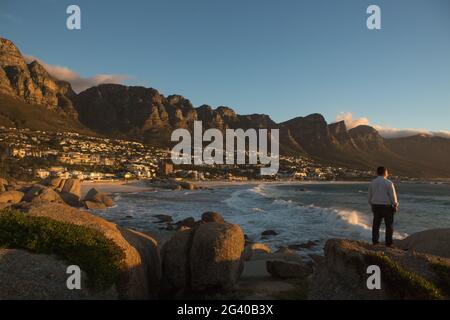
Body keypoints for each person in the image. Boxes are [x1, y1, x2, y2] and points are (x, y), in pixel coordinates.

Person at [368, 166, 399, 247]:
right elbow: (393, 196)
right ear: (385, 173)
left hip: (375, 206)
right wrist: (395, 205)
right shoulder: (388, 183)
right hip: (387, 207)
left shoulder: (372, 182)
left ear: (377, 173)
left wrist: (371, 204)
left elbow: (369, 196)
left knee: (376, 225)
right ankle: (388, 244)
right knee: (389, 226)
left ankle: (375, 242)